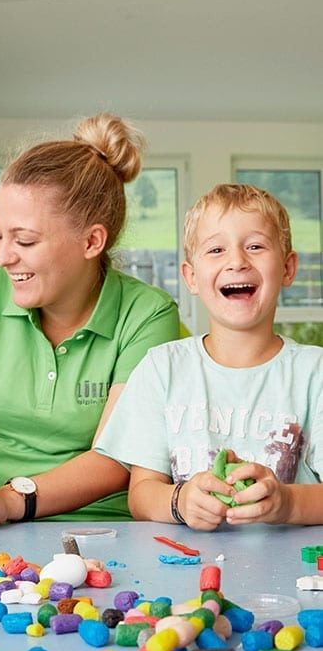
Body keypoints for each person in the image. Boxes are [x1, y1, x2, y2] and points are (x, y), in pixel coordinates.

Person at [0, 112, 180, 534]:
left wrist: (7, 500)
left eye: (24, 240)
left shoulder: (147, 314)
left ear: (91, 241)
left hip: (106, 532)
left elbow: (114, 459)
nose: (4, 255)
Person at [95, 183, 323, 530]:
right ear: (191, 277)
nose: (237, 261)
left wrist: (287, 502)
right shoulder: (162, 368)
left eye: (256, 246)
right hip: (184, 568)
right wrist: (180, 501)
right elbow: (141, 494)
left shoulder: (314, 373)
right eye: (216, 249)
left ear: (289, 268)